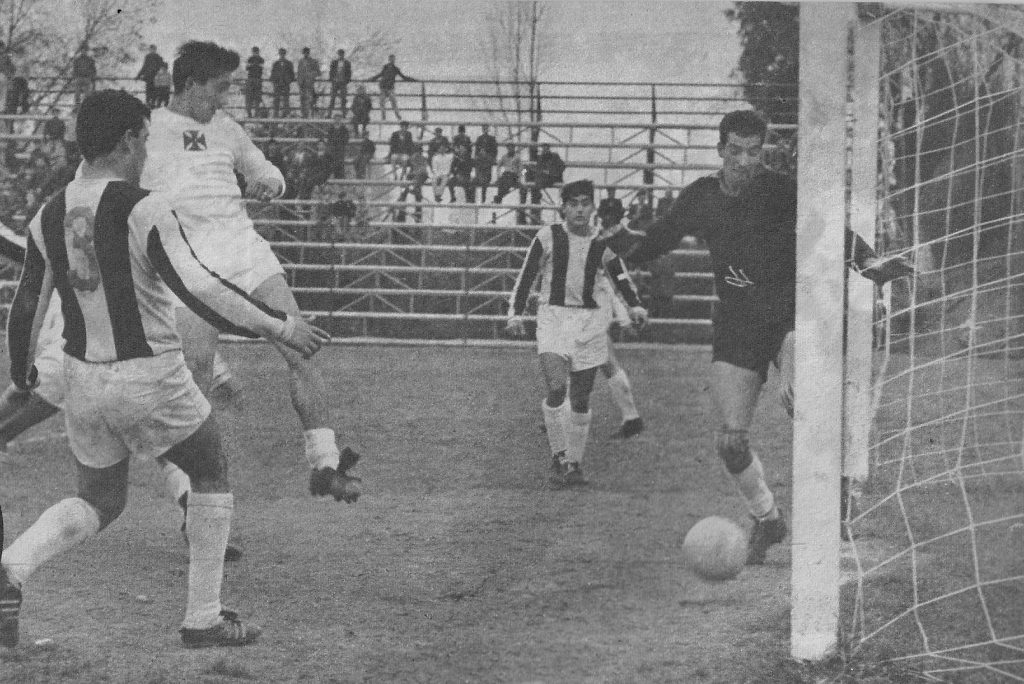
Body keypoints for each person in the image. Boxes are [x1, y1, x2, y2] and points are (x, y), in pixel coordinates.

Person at [0, 89, 329, 649]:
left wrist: (21, 369)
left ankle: (9, 570)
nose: (148, 148)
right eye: (146, 138)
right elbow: (200, 287)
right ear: (129, 139)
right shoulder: (142, 206)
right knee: (210, 468)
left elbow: (27, 302)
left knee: (101, 498)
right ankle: (204, 618)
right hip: (149, 373)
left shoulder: (49, 213)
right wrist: (281, 326)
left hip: (81, 379)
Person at [614, 110, 913, 563]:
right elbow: (663, 236)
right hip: (737, 322)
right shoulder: (700, 197)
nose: (745, 161)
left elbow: (831, 232)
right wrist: (622, 254)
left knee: (807, 410)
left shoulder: (778, 190)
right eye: (735, 151)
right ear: (720, 150)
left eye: (754, 152)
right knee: (731, 442)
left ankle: (837, 497)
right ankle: (768, 519)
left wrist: (870, 266)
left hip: (790, 316)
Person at [142, 41, 364, 502]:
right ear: (188, 84)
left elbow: (268, 173)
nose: (224, 98)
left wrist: (271, 183)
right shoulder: (148, 130)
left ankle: (324, 463)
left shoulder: (227, 130)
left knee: (299, 343)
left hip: (245, 252)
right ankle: (191, 497)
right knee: (196, 370)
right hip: (188, 263)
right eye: (218, 88)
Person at [506, 180, 647, 487]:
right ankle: (558, 455)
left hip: (590, 322)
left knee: (580, 398)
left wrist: (635, 306)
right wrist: (515, 313)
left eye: (585, 203)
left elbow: (619, 277)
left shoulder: (601, 242)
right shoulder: (548, 237)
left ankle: (574, 464)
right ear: (563, 208)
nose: (580, 209)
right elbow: (527, 276)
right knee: (557, 387)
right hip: (554, 318)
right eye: (573, 203)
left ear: (592, 207)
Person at [368, 54, 415, 121]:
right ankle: (383, 116)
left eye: (393, 59)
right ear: (389, 60)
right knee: (382, 102)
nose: (392, 60)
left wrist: (412, 80)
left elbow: (403, 77)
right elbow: (380, 74)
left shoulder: (396, 69)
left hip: (390, 88)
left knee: (393, 102)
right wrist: (372, 79)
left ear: (394, 60)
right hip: (383, 87)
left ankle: (397, 115)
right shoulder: (385, 67)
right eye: (391, 59)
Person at [396, 145, 429, 223]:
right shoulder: (419, 158)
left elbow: (406, 167)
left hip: (417, 177)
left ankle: (404, 213)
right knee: (411, 191)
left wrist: (403, 176)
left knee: (410, 191)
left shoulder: (415, 158)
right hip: (417, 177)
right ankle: (412, 214)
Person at [473, 125, 498, 203]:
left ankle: (483, 196)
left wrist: (487, 154)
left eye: (486, 128)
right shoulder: (479, 138)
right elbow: (476, 150)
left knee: (486, 179)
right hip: (481, 160)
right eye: (484, 128)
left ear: (488, 129)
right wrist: (480, 154)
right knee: (479, 177)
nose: (485, 130)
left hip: (488, 160)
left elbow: (495, 151)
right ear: (482, 129)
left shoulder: (492, 139)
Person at [269, 48, 294, 119]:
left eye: (283, 54)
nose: (282, 55)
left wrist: (288, 81)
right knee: (276, 100)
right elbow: (272, 74)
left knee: (286, 100)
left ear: (285, 54)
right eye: (280, 54)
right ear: (279, 54)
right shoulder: (276, 63)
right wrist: (275, 82)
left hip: (286, 84)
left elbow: (292, 75)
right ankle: (275, 115)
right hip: (277, 84)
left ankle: (286, 115)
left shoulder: (289, 63)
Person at [326, 49, 351, 118]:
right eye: (339, 54)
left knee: (343, 99)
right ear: (338, 55)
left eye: (342, 54)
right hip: (335, 82)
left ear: (343, 54)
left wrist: (346, 81)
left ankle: (344, 115)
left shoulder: (347, 63)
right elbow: (331, 72)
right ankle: (329, 114)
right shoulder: (334, 62)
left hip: (343, 83)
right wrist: (332, 79)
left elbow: (349, 73)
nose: (341, 55)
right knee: (332, 99)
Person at [296, 47, 320, 119]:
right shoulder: (301, 61)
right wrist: (299, 81)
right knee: (302, 100)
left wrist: (310, 74)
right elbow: (299, 72)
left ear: (309, 53)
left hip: (309, 84)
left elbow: (318, 72)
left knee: (310, 101)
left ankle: (310, 116)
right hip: (302, 85)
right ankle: (303, 115)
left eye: (307, 52)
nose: (305, 54)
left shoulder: (313, 61)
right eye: (304, 53)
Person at [70, 43, 97, 107]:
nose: (84, 51)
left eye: (85, 50)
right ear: (81, 51)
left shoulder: (90, 60)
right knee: (77, 94)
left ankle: (86, 106)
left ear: (87, 51)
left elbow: (94, 70)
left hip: (87, 78)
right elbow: (74, 69)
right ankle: (77, 106)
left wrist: (91, 77)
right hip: (79, 78)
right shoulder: (77, 59)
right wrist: (76, 77)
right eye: (82, 50)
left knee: (87, 95)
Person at [244, 47, 265, 118]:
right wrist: (254, 65)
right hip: (252, 80)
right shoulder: (250, 59)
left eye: (256, 52)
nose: (255, 53)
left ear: (258, 52)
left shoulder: (261, 59)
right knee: (250, 97)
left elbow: (261, 68)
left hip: (256, 80)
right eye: (254, 52)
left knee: (256, 98)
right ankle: (249, 114)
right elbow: (246, 68)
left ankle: (255, 114)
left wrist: (252, 65)